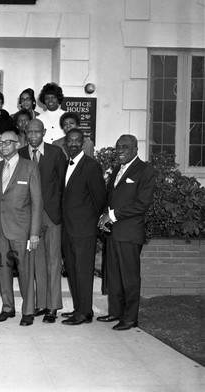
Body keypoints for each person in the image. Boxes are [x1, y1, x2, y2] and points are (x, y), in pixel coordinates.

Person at [97, 135, 156, 331]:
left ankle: (130, 318)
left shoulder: (145, 170)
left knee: (130, 278)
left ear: (135, 149)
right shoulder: (116, 170)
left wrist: (112, 215)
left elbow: (142, 204)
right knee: (114, 275)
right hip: (113, 233)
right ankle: (115, 312)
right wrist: (105, 215)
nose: (120, 150)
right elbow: (112, 198)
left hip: (130, 233)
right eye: (118, 147)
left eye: (125, 147)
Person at [0, 131, 43, 326]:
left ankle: (28, 310)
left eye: (8, 142)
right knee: (3, 269)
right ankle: (7, 308)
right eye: (1, 143)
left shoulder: (30, 167)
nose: (3, 146)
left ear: (18, 144)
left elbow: (37, 203)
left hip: (22, 230)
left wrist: (34, 233)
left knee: (25, 271)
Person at [18, 119, 66, 323]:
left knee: (53, 261)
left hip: (51, 215)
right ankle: (42, 304)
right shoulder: (20, 154)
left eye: (37, 132)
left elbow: (64, 183)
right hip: (29, 217)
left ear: (44, 132)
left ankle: (53, 307)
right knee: (36, 262)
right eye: (29, 132)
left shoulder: (56, 153)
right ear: (25, 133)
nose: (33, 136)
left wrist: (60, 211)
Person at [61, 129, 106, 326]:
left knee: (83, 271)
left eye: (77, 141)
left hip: (84, 230)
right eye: (70, 141)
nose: (73, 144)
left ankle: (85, 312)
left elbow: (99, 199)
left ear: (83, 143)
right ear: (65, 143)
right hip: (67, 229)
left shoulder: (91, 166)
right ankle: (78, 308)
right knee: (72, 270)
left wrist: (94, 227)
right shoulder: (64, 164)